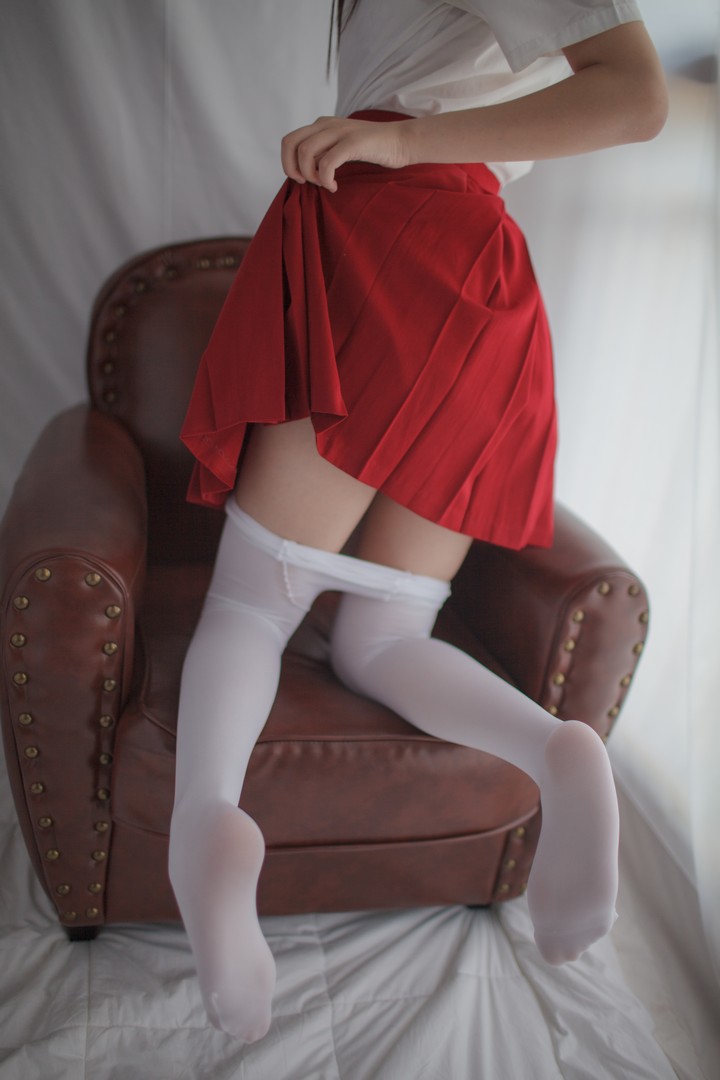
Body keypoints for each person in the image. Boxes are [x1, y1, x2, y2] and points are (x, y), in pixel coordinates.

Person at [169, 0, 667, 1043]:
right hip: (482, 275)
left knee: (252, 608)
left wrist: (397, 142)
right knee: (385, 633)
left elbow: (636, 94)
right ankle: (556, 751)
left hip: (386, 234)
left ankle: (205, 824)